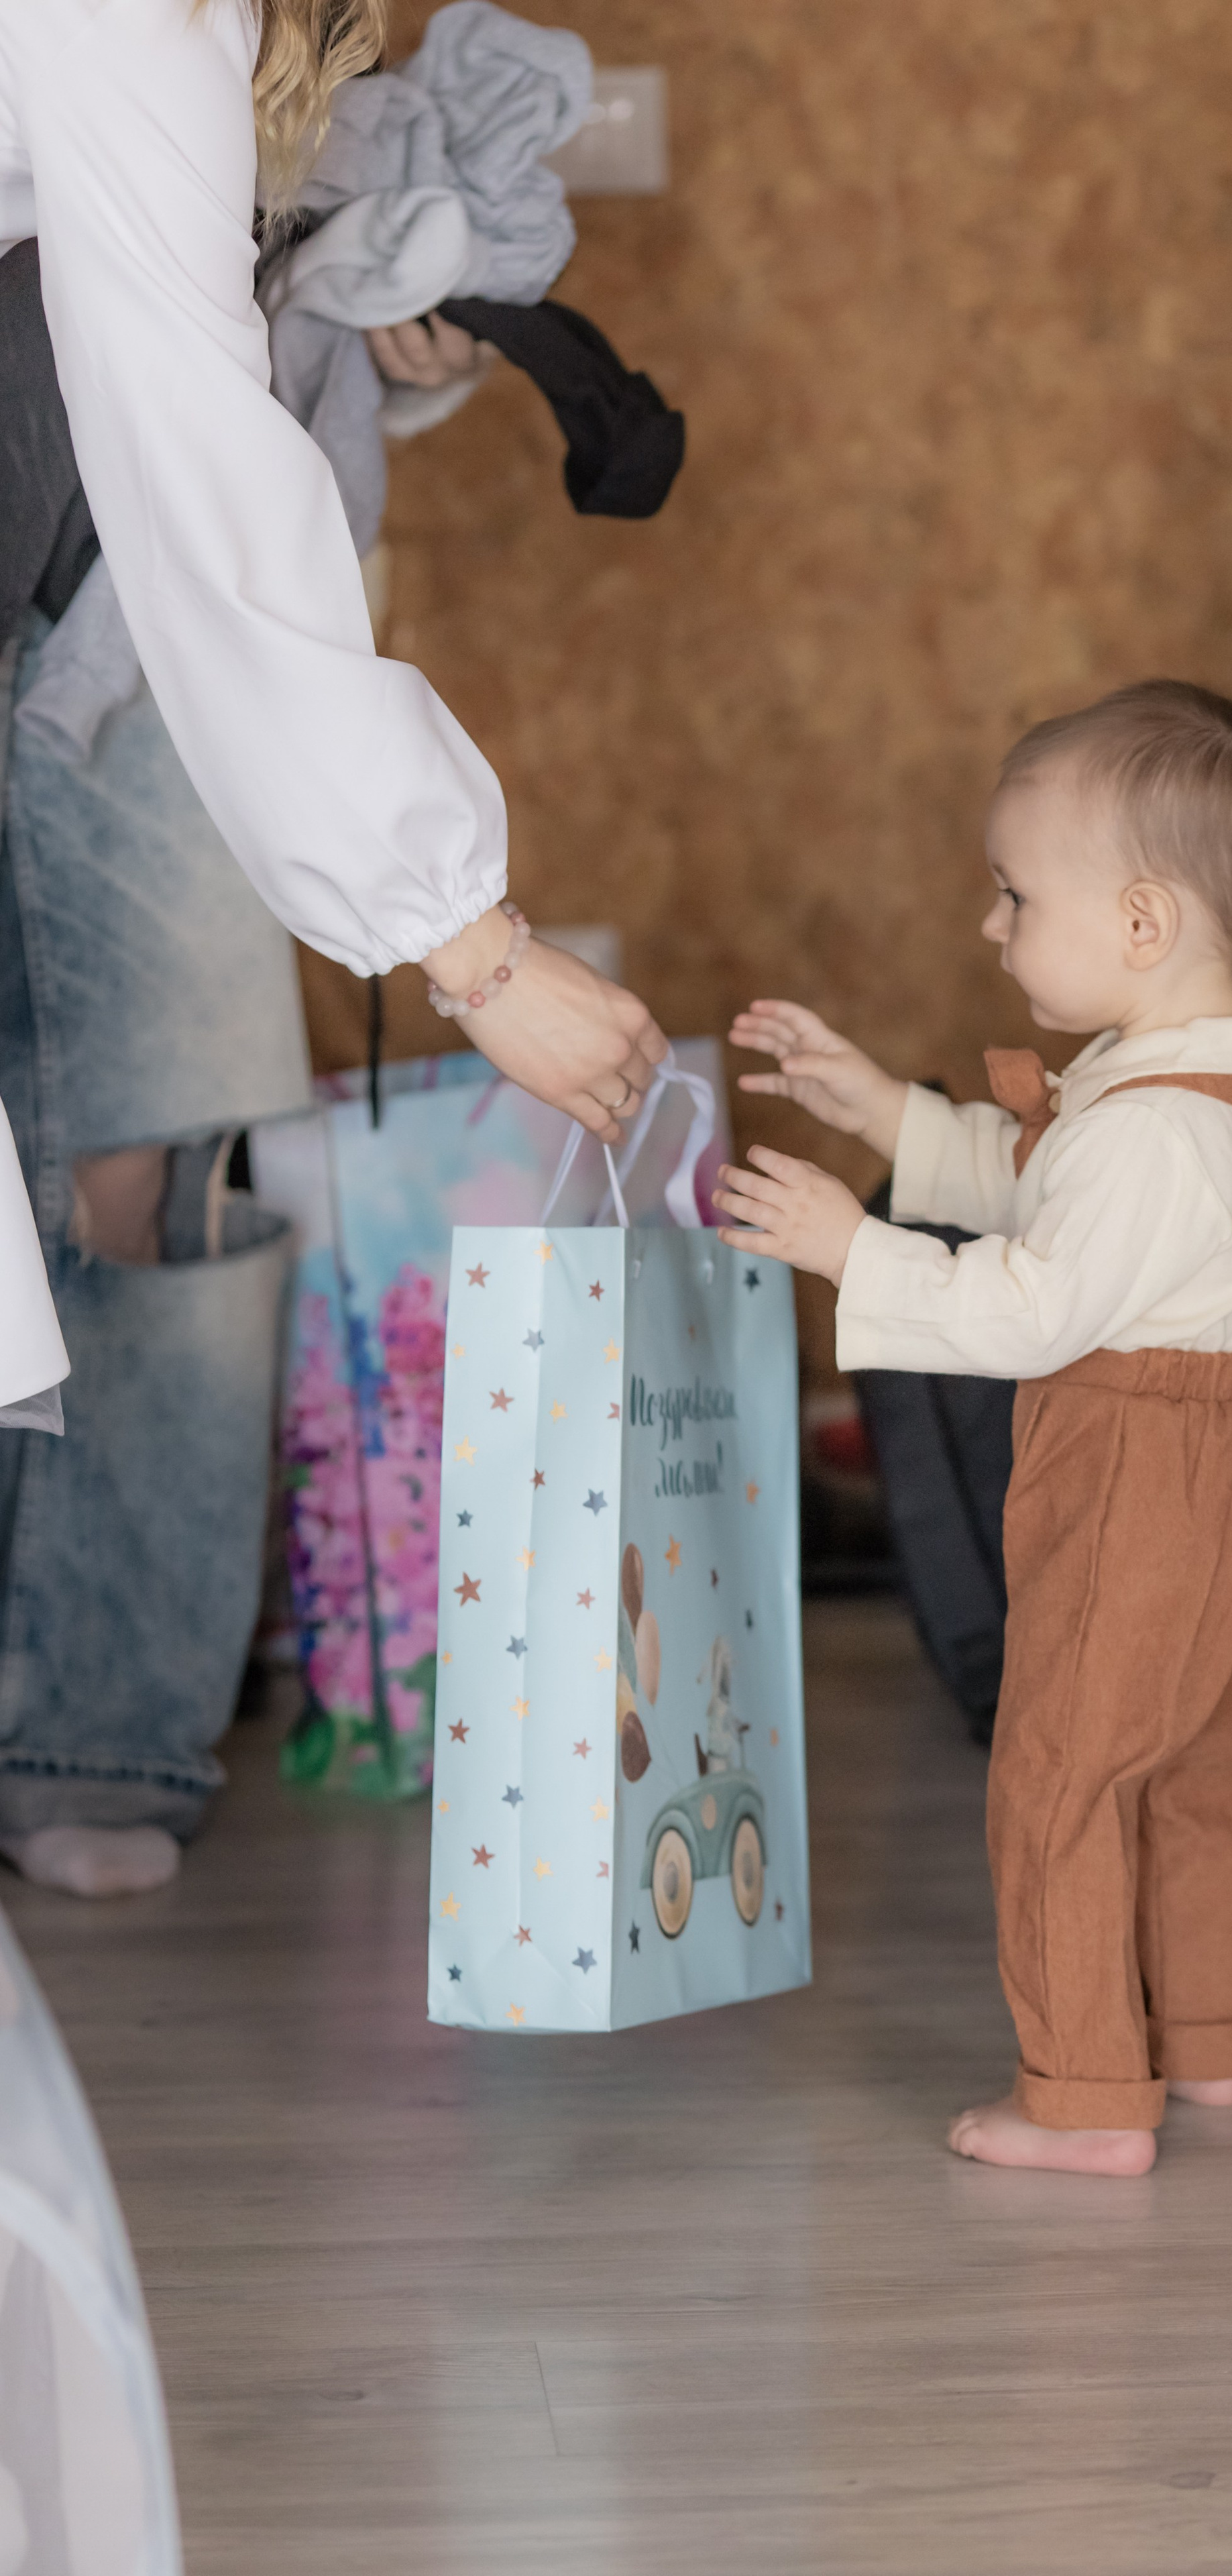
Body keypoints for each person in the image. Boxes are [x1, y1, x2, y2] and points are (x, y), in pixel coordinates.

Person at [0, 0, 666, 1896]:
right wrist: (469, 940)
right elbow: (195, 443)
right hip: (135, 552)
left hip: (115, 602)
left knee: (165, 1165)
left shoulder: (275, 44)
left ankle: (94, 1732)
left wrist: (416, 343)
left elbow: (233, 361)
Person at [714, 681, 1232, 2176]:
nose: (989, 926)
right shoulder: (1222, 1081)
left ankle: (1079, 2097)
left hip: (1146, 1485)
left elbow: (1030, 1309)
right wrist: (877, 1107)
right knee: (1203, 1764)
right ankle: (1206, 2045)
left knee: (1062, 1774)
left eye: (1012, 895)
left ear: (1136, 923)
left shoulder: (1143, 1131)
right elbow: (1032, 1178)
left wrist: (846, 1249)